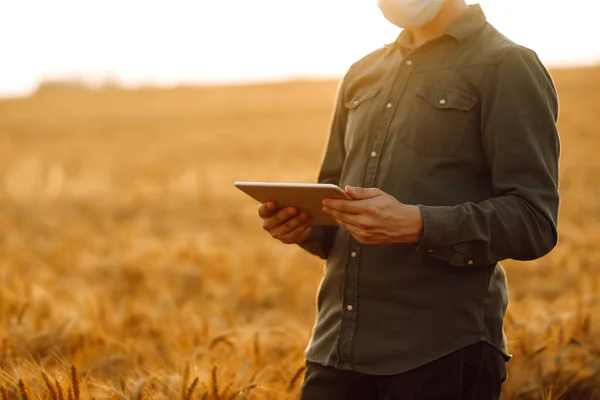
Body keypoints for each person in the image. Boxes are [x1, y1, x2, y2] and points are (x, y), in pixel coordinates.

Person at [257, 0, 560, 398]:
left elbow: (533, 221)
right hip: (334, 352)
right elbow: (334, 204)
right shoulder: (362, 72)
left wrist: (418, 224)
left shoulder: (506, 65)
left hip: (440, 355)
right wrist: (304, 227)